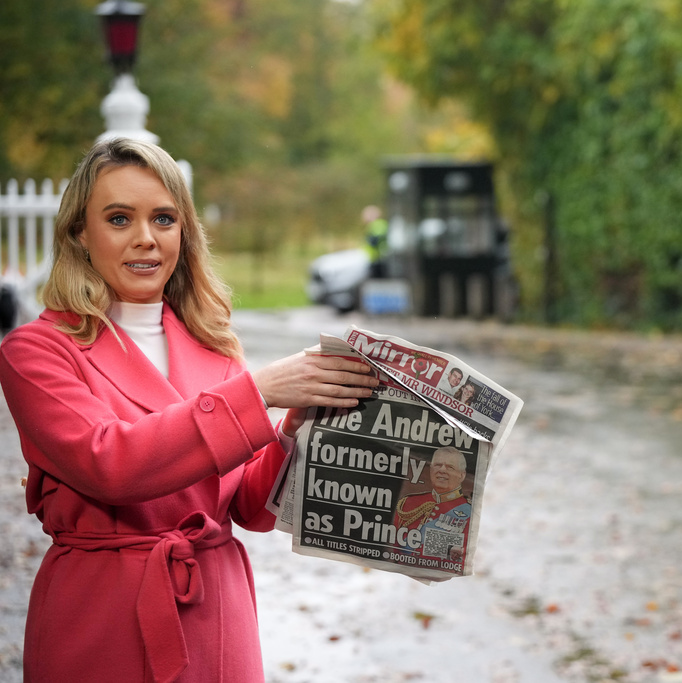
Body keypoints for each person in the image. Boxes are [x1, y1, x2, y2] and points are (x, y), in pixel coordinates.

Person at [0, 138, 379, 682]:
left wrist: (296, 428)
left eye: (163, 218)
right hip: (101, 619)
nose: (146, 239)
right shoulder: (36, 351)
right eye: (118, 218)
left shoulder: (215, 345)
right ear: (80, 234)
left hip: (217, 616)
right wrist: (262, 392)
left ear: (184, 231)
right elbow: (110, 464)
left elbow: (253, 508)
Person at [392, 446, 472, 562]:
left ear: (461, 475)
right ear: (431, 470)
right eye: (438, 465)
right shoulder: (408, 502)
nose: (442, 470)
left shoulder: (468, 511)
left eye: (450, 467)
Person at [361, 205, 388, 279]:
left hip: (377, 259)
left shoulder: (378, 224)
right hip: (374, 258)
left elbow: (375, 240)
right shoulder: (377, 224)